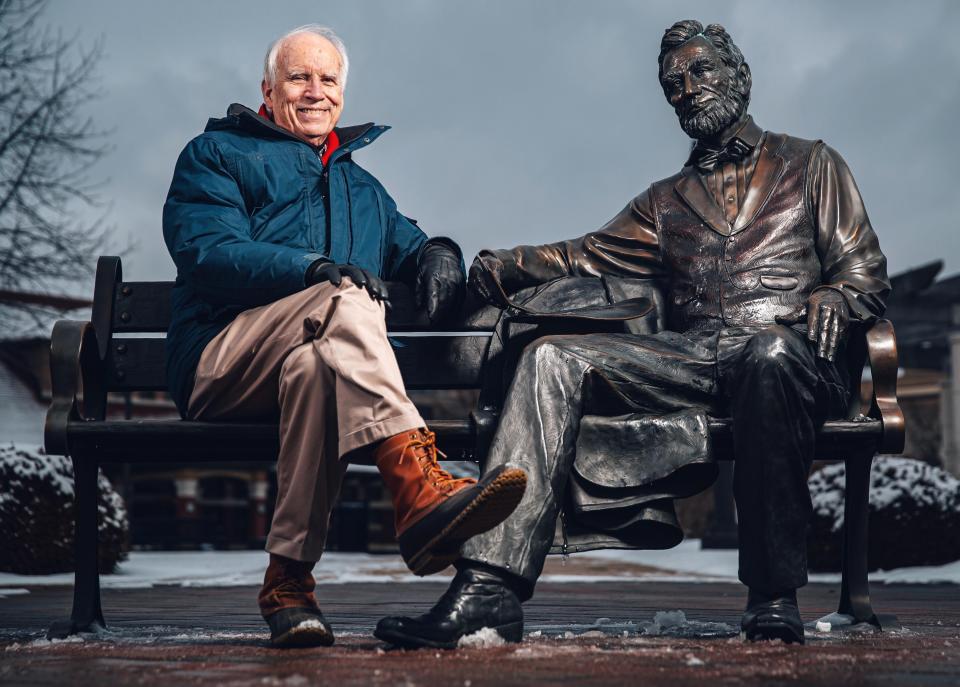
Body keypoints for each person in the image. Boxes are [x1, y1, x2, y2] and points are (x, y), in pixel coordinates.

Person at [375, 19, 889, 648]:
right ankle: (489, 587)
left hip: (792, 359)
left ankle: (773, 594)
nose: (687, 89)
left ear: (740, 75)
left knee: (769, 352)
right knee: (551, 358)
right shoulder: (664, 200)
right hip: (693, 362)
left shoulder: (813, 164)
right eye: (673, 83)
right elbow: (581, 256)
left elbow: (862, 269)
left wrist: (837, 293)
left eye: (701, 71)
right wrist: (489, 266)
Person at [162, 25, 526, 648]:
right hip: (221, 360)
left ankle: (288, 584)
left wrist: (439, 253)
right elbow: (207, 251)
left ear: (342, 93)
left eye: (327, 79)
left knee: (315, 367)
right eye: (299, 77)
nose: (314, 91)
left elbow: (412, 244)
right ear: (268, 91)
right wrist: (309, 270)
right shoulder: (216, 155)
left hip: (304, 368)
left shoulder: (362, 188)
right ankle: (416, 485)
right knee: (346, 298)